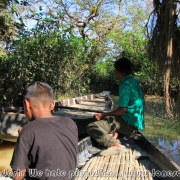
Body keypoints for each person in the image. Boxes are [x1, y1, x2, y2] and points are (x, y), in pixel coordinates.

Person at [10, 82, 78, 180]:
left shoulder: (28, 131)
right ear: (52, 104)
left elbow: (18, 175)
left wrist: (22, 136)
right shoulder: (70, 123)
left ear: (27, 104)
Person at [86, 57, 145, 156]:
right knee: (110, 120)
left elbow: (122, 110)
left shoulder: (125, 84)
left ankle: (114, 144)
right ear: (130, 70)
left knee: (92, 126)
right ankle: (113, 135)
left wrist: (103, 115)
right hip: (136, 124)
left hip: (128, 124)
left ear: (116, 71)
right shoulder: (134, 81)